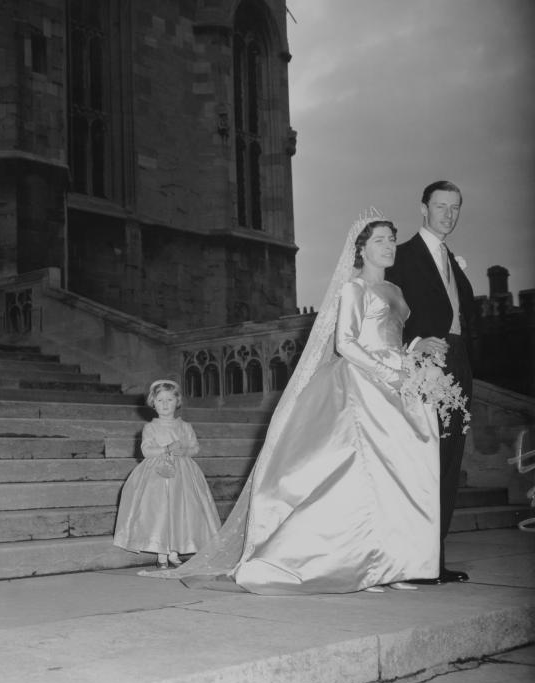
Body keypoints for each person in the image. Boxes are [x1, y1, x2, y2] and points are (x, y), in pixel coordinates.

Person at [158, 213, 441, 594]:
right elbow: (346, 344)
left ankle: (393, 564)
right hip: (361, 388)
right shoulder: (355, 289)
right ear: (361, 248)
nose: (389, 245)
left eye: (391, 239)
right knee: (359, 476)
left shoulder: (396, 291)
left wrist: (412, 353)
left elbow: (389, 337)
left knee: (397, 478)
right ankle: (361, 564)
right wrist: (391, 373)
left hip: (397, 387)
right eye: (379, 240)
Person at [386, 181, 474, 585]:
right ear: (423, 209)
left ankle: (435, 559)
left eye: (455, 208)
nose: (448, 214)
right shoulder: (402, 257)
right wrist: (416, 345)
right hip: (423, 368)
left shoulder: (453, 261)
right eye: (441, 206)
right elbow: (385, 316)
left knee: (450, 462)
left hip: (458, 365)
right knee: (423, 464)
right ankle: (415, 560)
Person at [113, 379, 222, 570]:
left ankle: (175, 552)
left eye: (169, 400)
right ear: (153, 403)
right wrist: (166, 449)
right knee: (161, 510)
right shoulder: (150, 428)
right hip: (158, 474)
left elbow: (195, 447)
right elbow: (146, 451)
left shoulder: (185, 426)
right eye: (160, 400)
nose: (165, 404)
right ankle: (162, 554)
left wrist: (186, 451)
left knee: (181, 510)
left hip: (184, 474)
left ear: (177, 401)